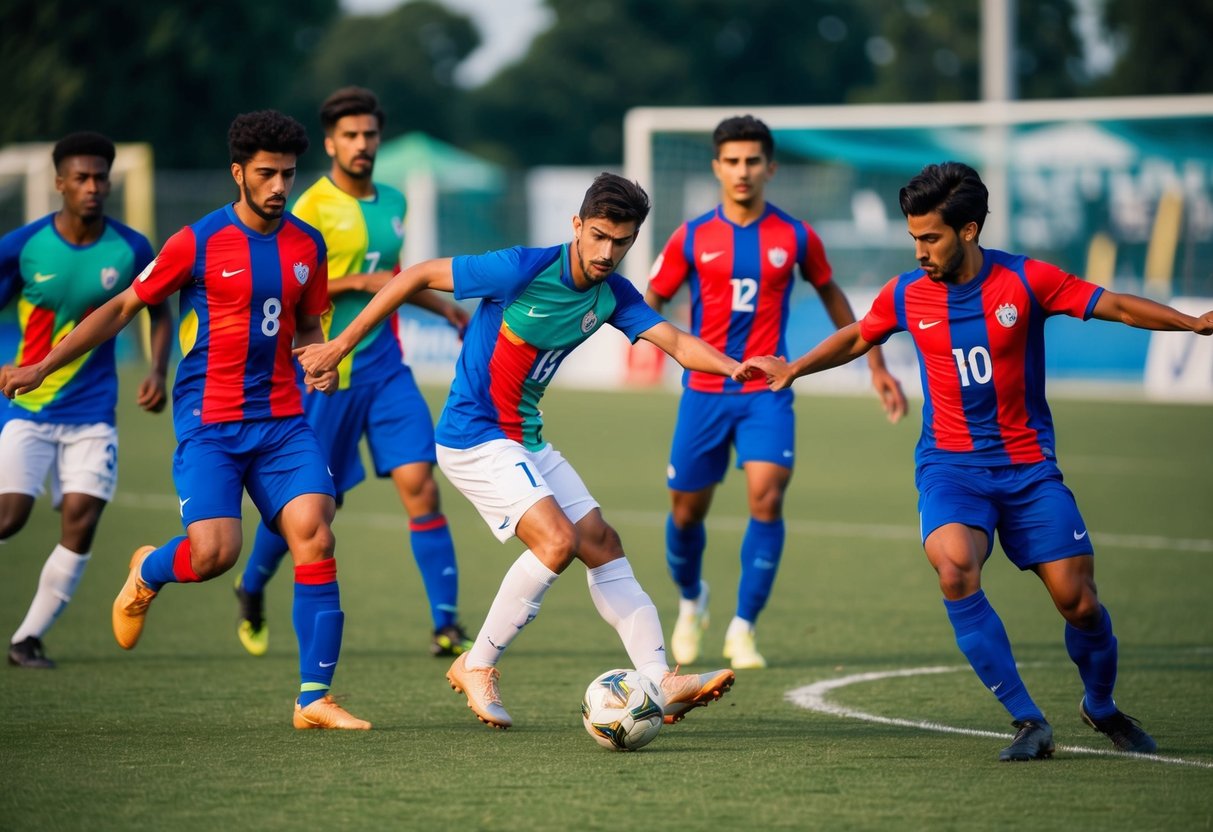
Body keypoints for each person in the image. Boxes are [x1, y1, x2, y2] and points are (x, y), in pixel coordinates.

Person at [739, 161, 1213, 761]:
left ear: (969, 230)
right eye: (913, 237)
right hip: (951, 467)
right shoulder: (907, 293)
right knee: (955, 567)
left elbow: (1113, 305)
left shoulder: (1026, 280)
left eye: (930, 237)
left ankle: (1100, 706)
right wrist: (795, 368)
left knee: (1080, 601)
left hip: (1029, 469)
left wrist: (1191, 322)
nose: (919, 251)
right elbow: (861, 335)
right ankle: (1027, 719)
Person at [298, 173, 740, 730]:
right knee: (557, 542)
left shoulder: (614, 294)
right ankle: (476, 663)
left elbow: (674, 341)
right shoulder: (520, 268)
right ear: (576, 226)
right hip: (472, 435)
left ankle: (657, 677)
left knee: (601, 543)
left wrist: (734, 368)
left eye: (621, 242)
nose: (607, 253)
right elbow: (414, 276)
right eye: (599, 236)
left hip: (525, 440)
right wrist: (339, 345)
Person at [1, 110, 371, 731]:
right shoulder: (196, 242)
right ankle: (148, 570)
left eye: (287, 174)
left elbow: (309, 325)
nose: (280, 185)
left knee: (316, 530)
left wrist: (320, 359)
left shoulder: (307, 245)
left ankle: (314, 698)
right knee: (214, 554)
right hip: (211, 422)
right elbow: (122, 307)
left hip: (282, 419)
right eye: (267, 174)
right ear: (238, 174)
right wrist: (41, 365)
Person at [644, 115, 906, 670]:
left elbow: (834, 297)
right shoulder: (691, 236)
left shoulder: (796, 236)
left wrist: (876, 363)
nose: (742, 171)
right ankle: (692, 602)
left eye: (752, 161)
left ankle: (743, 628)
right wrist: (649, 342)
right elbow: (652, 299)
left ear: (771, 167)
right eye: (732, 161)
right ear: (717, 167)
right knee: (685, 515)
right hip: (705, 391)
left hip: (769, 390)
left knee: (767, 496)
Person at [234, 87, 473, 660]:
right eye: (350, 135)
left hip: (385, 368)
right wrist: (355, 284)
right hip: (324, 373)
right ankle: (251, 585)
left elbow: (396, 278)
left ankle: (446, 625)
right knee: (311, 507)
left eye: (369, 134)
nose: (362, 144)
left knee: (421, 484)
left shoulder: (394, 201)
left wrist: (447, 310)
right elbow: (285, 281)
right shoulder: (310, 205)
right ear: (331, 143)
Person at [0, 132, 171, 669]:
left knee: (81, 518)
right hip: (29, 407)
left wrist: (157, 369)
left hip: (94, 412)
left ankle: (27, 639)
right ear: (60, 183)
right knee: (9, 517)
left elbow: (159, 313)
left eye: (100, 177)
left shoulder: (132, 248)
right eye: (81, 177)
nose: (93, 186)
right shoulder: (24, 246)